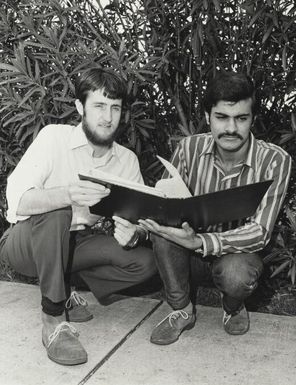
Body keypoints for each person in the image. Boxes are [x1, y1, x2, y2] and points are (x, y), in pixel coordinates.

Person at [0, 68, 156, 365]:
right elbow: (16, 200)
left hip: (77, 243)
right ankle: (54, 319)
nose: (107, 117)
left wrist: (135, 233)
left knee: (145, 262)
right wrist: (67, 194)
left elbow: (140, 222)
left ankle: (65, 284)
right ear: (80, 107)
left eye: (115, 108)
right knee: (57, 211)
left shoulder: (127, 161)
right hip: (26, 242)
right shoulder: (53, 138)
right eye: (99, 106)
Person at [139, 71, 292, 345]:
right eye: (221, 117)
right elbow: (162, 205)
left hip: (238, 257)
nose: (231, 128)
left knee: (236, 276)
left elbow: (260, 231)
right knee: (163, 236)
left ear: (252, 119)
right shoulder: (188, 149)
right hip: (188, 253)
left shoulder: (275, 160)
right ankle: (182, 310)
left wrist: (200, 241)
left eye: (241, 118)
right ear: (208, 116)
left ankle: (232, 306)